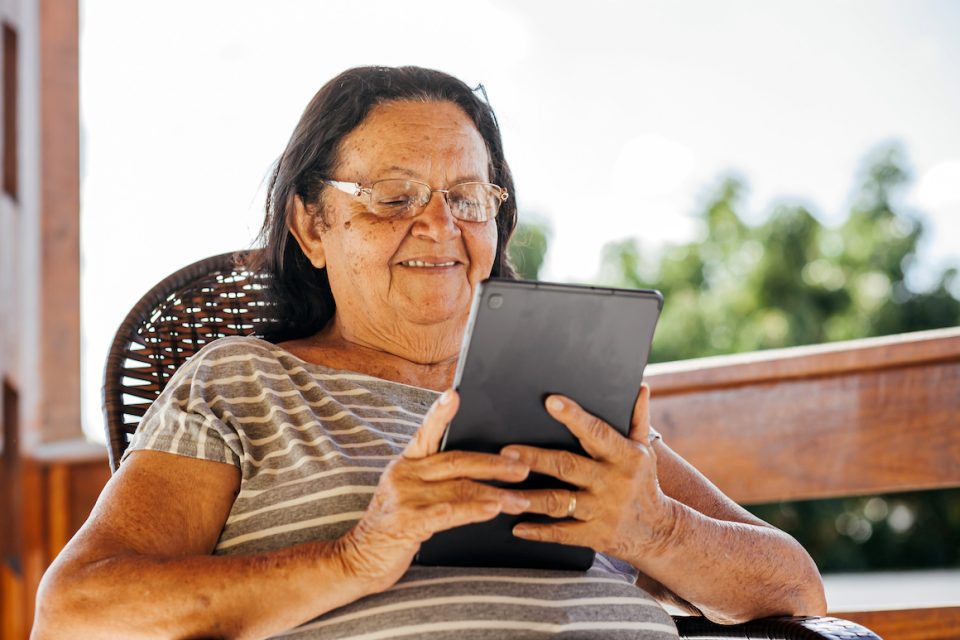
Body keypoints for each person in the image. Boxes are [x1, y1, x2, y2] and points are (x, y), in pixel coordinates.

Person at [33, 66, 826, 639]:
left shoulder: (572, 395)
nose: (440, 227)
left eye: (467, 199)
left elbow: (796, 591)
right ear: (312, 225)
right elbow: (77, 614)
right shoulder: (240, 383)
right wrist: (357, 556)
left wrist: (654, 531)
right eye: (394, 196)